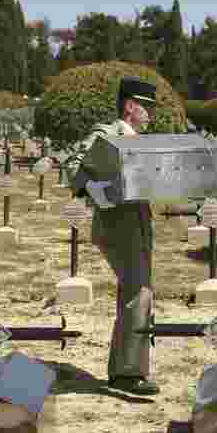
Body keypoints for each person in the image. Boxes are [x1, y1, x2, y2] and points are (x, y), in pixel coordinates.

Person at [67, 77, 159, 395]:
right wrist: (94, 190)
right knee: (140, 290)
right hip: (117, 224)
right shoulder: (107, 134)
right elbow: (73, 166)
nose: (151, 114)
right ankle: (128, 374)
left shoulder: (143, 141)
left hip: (139, 222)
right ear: (131, 106)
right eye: (146, 107)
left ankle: (124, 369)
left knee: (136, 290)